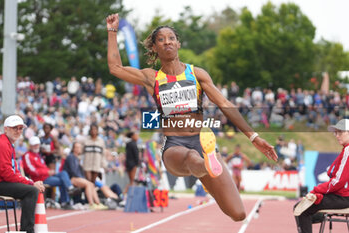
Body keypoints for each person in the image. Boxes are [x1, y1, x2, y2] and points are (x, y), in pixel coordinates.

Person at [106, 13, 277, 221]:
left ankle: (205, 172)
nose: (167, 41)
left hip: (201, 141)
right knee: (192, 158)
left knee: (238, 213)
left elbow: (225, 104)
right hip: (175, 146)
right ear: (154, 48)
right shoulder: (152, 78)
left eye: (171, 38)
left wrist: (254, 137)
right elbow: (115, 68)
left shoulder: (196, 74)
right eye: (161, 39)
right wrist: (112, 32)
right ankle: (205, 167)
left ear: (178, 43)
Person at [294, 119, 349, 233]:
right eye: (336, 133)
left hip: (344, 198)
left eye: (340, 132)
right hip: (342, 195)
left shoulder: (348, 150)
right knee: (301, 209)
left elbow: (338, 182)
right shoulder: (345, 150)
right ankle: (320, 216)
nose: (337, 135)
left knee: (301, 210)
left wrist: (316, 191)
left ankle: (317, 216)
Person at [0, 115, 45, 233]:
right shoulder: (3, 144)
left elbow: (14, 171)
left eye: (20, 128)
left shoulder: (8, 143)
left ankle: (26, 229)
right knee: (31, 190)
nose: (18, 131)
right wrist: (30, 183)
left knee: (31, 188)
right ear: (6, 129)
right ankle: (27, 230)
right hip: (1, 182)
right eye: (15, 128)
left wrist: (29, 182)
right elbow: (6, 173)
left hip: (3, 181)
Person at [22, 136, 79, 210]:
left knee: (64, 173)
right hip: (40, 179)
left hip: (46, 176)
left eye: (37, 144)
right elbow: (31, 170)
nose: (36, 146)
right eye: (34, 145)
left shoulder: (38, 155)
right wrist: (47, 172)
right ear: (30, 145)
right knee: (63, 181)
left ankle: (70, 188)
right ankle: (65, 201)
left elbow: (43, 167)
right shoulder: (27, 155)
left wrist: (49, 172)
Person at [63, 142, 108, 210]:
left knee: (91, 184)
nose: (78, 149)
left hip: (77, 178)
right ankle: (91, 203)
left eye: (79, 147)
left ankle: (98, 203)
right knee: (88, 183)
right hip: (71, 179)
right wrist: (82, 179)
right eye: (77, 147)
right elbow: (73, 171)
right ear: (73, 148)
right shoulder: (71, 157)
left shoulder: (77, 158)